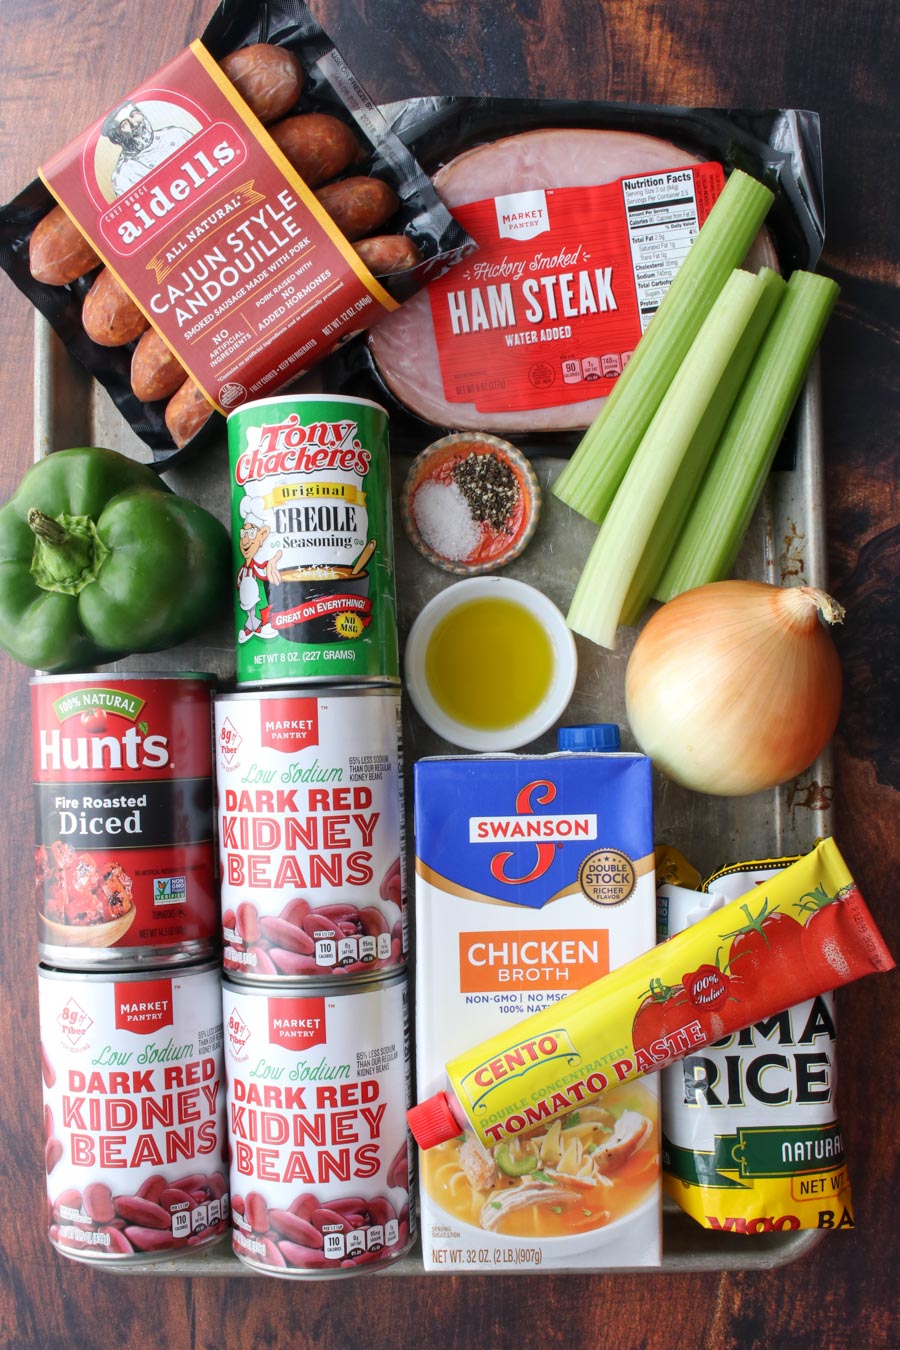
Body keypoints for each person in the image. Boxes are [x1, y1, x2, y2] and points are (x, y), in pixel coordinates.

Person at [101, 101, 193, 196]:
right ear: (117, 138)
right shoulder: (124, 176)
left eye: (134, 114)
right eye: (125, 125)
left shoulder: (177, 134)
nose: (135, 124)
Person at [236, 496, 282, 643]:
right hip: (247, 602)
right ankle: (250, 626)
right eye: (244, 533)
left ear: (263, 535)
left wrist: (273, 562)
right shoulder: (244, 568)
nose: (245, 540)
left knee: (262, 602)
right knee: (248, 607)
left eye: (251, 534)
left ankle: (265, 624)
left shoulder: (260, 564)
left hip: (261, 600)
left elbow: (267, 572)